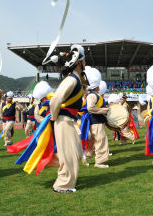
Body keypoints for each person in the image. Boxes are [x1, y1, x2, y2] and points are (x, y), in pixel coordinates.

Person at [49, 44, 87, 193]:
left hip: (69, 121)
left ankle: (65, 179)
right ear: (79, 63)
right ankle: (62, 185)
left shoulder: (76, 79)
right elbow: (55, 100)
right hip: (64, 120)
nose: (86, 64)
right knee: (70, 154)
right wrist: (54, 117)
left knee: (76, 152)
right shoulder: (71, 80)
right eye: (84, 61)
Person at [80, 67, 110, 168]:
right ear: (95, 87)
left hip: (96, 121)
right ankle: (99, 162)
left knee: (93, 141)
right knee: (101, 140)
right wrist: (105, 110)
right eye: (98, 86)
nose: (99, 87)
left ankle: (85, 155)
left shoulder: (93, 95)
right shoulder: (93, 96)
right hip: (96, 122)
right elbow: (90, 108)